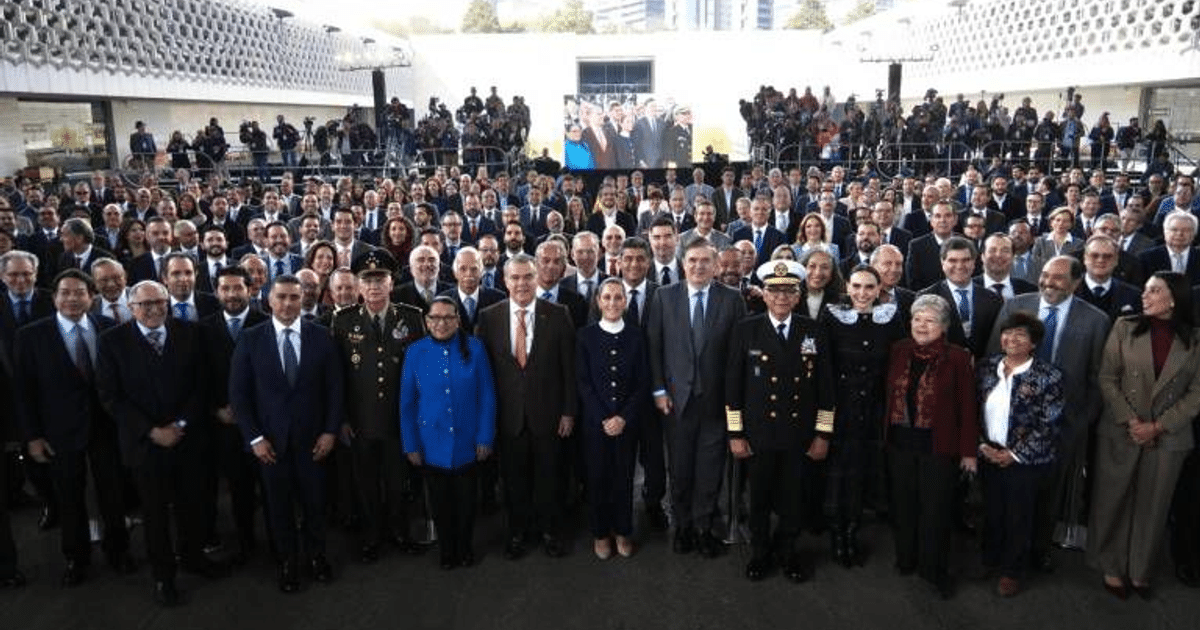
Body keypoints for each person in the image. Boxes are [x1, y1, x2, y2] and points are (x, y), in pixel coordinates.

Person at [96, 280, 221, 607]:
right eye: (144, 305)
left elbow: (201, 385)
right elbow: (111, 397)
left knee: (191, 505)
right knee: (154, 514)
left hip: (187, 438)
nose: (152, 309)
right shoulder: (112, 341)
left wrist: (179, 425)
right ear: (131, 308)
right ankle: (164, 576)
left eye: (158, 302)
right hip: (145, 444)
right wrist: (152, 431)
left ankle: (194, 557)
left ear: (167, 302)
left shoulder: (191, 333)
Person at [15, 269, 136, 586]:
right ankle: (76, 558)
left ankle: (118, 550)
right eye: (65, 292)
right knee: (69, 498)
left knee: (113, 493)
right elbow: (24, 392)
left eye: (79, 292)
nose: (72, 298)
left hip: (106, 428)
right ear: (54, 297)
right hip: (58, 432)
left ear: (91, 297)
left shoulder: (107, 327)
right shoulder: (31, 336)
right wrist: (33, 437)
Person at [229, 275, 346, 593]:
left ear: (303, 298)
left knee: (314, 504)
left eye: (295, 297)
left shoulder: (321, 336)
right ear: (268, 299)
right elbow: (239, 395)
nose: (288, 303)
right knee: (278, 507)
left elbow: (335, 390)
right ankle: (287, 562)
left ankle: (317, 557)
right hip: (270, 445)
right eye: (281, 297)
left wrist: (330, 431)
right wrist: (254, 439)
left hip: (314, 442)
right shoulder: (251, 338)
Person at [1090, 272, 1200, 600]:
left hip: (1170, 436)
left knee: (1153, 506)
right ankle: (1111, 565)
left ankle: (1140, 570)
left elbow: (1197, 393)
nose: (1145, 296)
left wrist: (1158, 426)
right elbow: (1107, 377)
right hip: (1121, 429)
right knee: (1113, 499)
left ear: (1174, 298)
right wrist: (1132, 421)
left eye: (1154, 291)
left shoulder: (1195, 339)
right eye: (1145, 290)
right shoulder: (1124, 327)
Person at [726, 260, 835, 582]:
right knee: (758, 497)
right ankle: (760, 553)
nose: (782, 297)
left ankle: (788, 551)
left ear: (798, 295)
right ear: (765, 294)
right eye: (774, 290)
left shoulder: (813, 330)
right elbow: (733, 386)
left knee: (793, 499)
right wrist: (735, 432)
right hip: (759, 434)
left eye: (789, 290)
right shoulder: (746, 329)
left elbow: (826, 388)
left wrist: (822, 435)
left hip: (798, 434)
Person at [647, 239, 747, 557]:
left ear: (716, 265)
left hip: (716, 403)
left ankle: (704, 528)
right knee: (680, 470)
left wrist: (734, 404)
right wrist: (659, 390)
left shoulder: (732, 300)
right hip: (676, 402)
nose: (698, 266)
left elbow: (738, 356)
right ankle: (683, 527)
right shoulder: (664, 297)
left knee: (709, 470)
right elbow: (654, 347)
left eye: (705, 261)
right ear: (683, 263)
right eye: (692, 260)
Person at [476, 253, 577, 560]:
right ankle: (517, 532)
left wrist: (568, 411)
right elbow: (484, 374)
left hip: (548, 415)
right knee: (514, 481)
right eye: (515, 278)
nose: (522, 283)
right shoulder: (489, 316)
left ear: (538, 278)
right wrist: (487, 420)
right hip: (508, 418)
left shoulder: (559, 314)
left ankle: (549, 532)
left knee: (549, 478)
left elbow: (569, 370)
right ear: (504, 281)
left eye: (527, 277)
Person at [330, 251, 426, 563]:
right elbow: (337, 376)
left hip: (400, 419)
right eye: (367, 280)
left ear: (391, 282)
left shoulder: (411, 317)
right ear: (357, 285)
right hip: (360, 419)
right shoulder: (343, 322)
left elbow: (421, 375)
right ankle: (372, 536)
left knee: (398, 482)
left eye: (380, 279)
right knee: (366, 482)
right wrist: (342, 417)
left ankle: (399, 531)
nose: (374, 286)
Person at [883, 294, 979, 599]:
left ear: (944, 326)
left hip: (940, 447)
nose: (922, 326)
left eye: (930, 320)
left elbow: (968, 408)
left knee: (935, 511)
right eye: (917, 319)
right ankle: (906, 559)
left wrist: (968, 453)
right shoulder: (898, 350)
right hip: (899, 443)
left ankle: (934, 569)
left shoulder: (959, 358)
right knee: (904, 506)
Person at [400, 296, 496, 569]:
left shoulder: (475, 348)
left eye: (448, 318)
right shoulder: (415, 351)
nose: (441, 323)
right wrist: (411, 444)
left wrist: (485, 437)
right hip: (431, 443)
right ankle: (447, 550)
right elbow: (407, 403)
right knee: (440, 503)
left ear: (457, 320)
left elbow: (487, 396)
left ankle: (465, 547)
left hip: (468, 440)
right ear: (426, 321)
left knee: (466, 502)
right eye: (435, 318)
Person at [821, 265, 905, 567]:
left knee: (862, 472)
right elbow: (824, 367)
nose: (862, 293)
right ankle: (836, 533)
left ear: (879, 288)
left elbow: (897, 366)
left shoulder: (890, 318)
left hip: (873, 409)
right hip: (841, 407)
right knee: (838, 472)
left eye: (869, 287)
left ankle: (853, 530)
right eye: (856, 286)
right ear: (847, 287)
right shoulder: (832, 316)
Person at [976, 312, 1064, 598]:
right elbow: (972, 409)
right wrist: (981, 445)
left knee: (1019, 517)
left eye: (1020, 335)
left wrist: (1014, 455)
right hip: (988, 452)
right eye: (1007, 333)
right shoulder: (987, 367)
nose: (1010, 339)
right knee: (991, 512)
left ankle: (1012, 571)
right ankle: (990, 559)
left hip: (1024, 462)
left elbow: (1049, 423)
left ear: (1034, 343)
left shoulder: (1048, 376)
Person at [576, 278, 649, 559]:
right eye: (607, 297)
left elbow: (642, 383)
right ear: (598, 301)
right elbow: (583, 383)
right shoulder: (585, 336)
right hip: (596, 425)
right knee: (597, 479)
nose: (612, 303)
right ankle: (600, 532)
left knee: (624, 478)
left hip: (626, 425)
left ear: (626, 302)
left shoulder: (636, 336)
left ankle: (623, 530)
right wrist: (605, 418)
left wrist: (623, 418)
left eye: (618, 298)